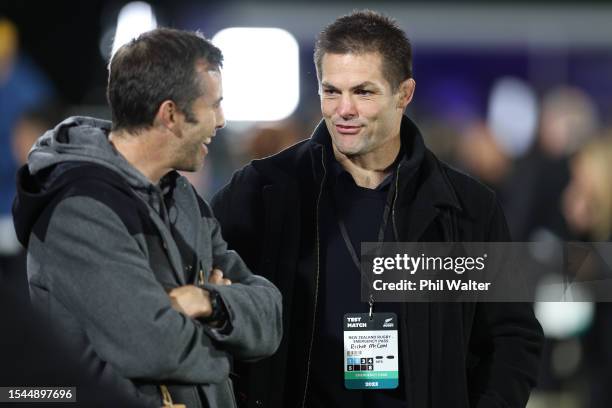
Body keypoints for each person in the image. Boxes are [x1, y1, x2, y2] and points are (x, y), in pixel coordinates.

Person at [211, 10, 543, 408]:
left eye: (363, 92)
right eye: (331, 91)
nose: (343, 109)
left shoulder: (466, 207)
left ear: (404, 94)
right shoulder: (263, 192)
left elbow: (511, 338)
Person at [12, 28, 282, 408]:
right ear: (170, 114)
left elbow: (270, 317)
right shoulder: (79, 208)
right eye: (214, 105)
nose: (221, 121)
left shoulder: (182, 196)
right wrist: (231, 342)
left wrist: (208, 301)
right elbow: (156, 348)